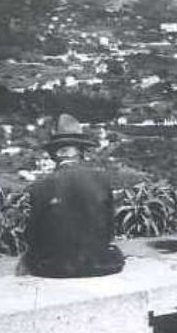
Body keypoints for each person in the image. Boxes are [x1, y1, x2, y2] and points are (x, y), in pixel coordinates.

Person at [18, 113, 125, 278]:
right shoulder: (102, 181)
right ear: (81, 152)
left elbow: (32, 236)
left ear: (55, 155)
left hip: (54, 268)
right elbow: (109, 230)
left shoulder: (39, 186)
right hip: (100, 264)